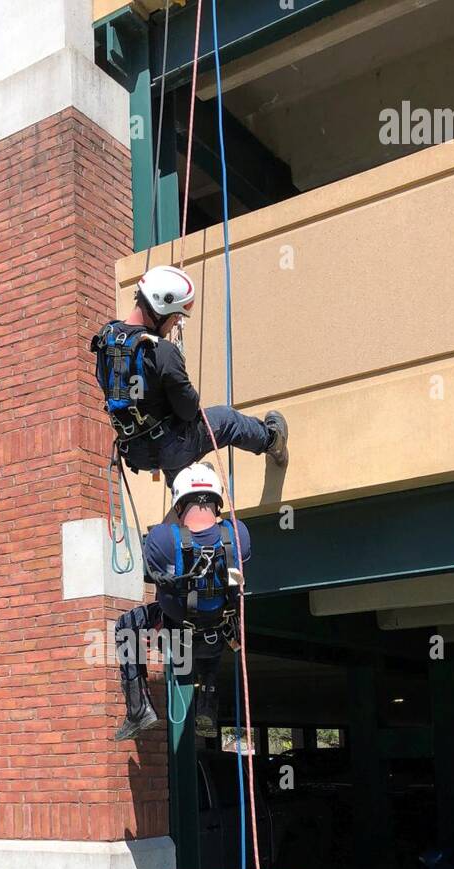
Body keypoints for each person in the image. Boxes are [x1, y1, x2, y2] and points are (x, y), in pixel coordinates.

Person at [92, 265, 288, 486]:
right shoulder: (162, 352)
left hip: (134, 451)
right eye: (175, 315)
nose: (177, 321)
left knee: (178, 464)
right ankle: (273, 441)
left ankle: (189, 493)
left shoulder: (105, 340)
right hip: (170, 447)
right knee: (227, 419)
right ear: (160, 309)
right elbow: (188, 410)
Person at [114, 462, 250, 741]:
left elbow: (148, 572)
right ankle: (207, 706)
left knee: (125, 627)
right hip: (217, 636)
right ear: (217, 502)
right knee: (211, 652)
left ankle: (139, 710)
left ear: (178, 504)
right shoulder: (239, 535)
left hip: (177, 636)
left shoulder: (163, 538)